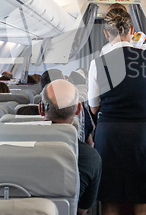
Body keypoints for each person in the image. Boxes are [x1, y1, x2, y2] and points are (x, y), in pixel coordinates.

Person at [88, 8, 146, 215]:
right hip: (142, 133)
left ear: (106, 33)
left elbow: (94, 106)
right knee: (143, 194)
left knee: (110, 195)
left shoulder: (98, 63)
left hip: (110, 133)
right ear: (131, 30)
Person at [41, 80, 102, 215]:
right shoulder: (90, 158)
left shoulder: (11, 145)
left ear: (41, 109)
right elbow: (81, 210)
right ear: (79, 109)